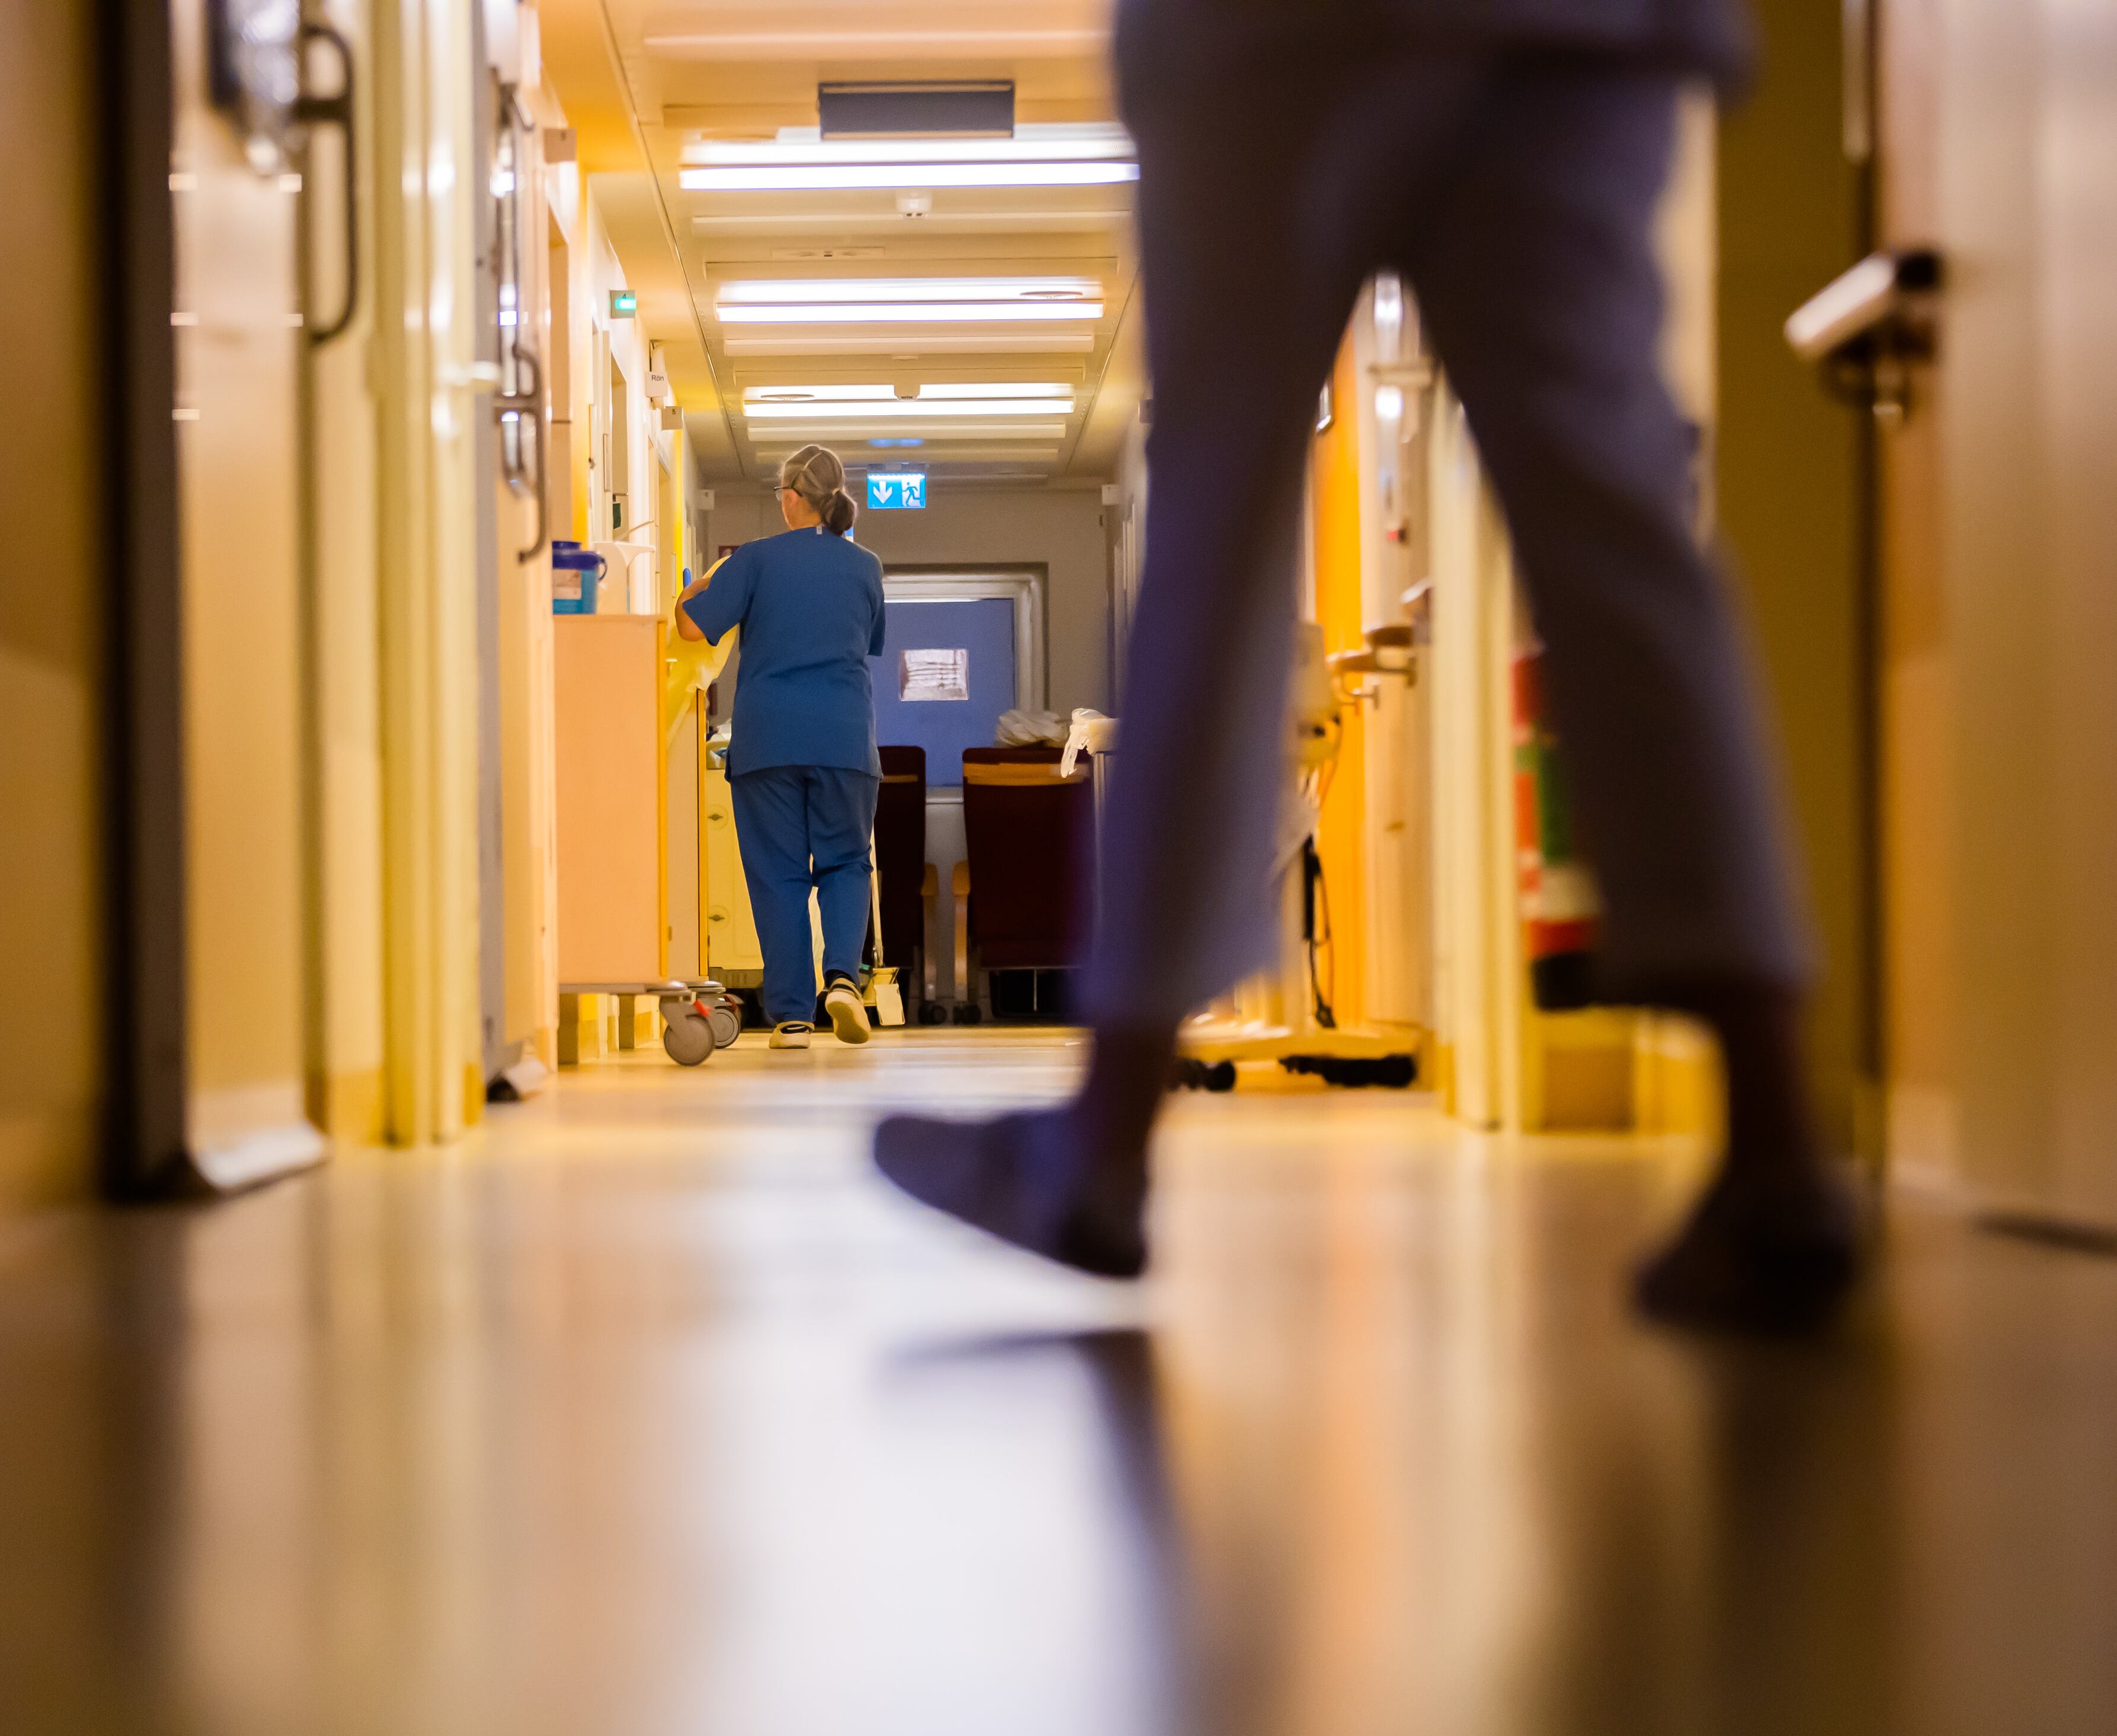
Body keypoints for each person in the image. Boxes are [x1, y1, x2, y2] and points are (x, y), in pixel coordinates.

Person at [872, 0, 1862, 1326]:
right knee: (1617, 510)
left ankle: (1100, 1146)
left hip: (1286, 35)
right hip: (1585, 29)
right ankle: (1777, 1137)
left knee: (1219, 515)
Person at [679, 445, 887, 1049]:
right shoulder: (865, 566)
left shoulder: (754, 560)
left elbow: (692, 627)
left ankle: (793, 1017)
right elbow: (868, 643)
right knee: (847, 862)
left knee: (778, 874)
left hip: (769, 739)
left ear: (791, 496)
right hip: (845, 738)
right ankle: (844, 980)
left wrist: (688, 594)